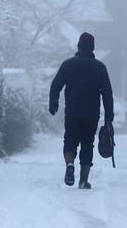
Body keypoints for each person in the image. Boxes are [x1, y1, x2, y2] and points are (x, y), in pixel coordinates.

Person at [49, 32, 114, 189]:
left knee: (70, 140)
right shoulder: (99, 67)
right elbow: (107, 93)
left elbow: (55, 85)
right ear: (92, 48)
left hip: (72, 112)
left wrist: (53, 104)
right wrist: (109, 115)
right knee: (87, 144)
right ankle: (83, 181)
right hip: (91, 114)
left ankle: (70, 164)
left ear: (78, 46)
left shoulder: (68, 64)